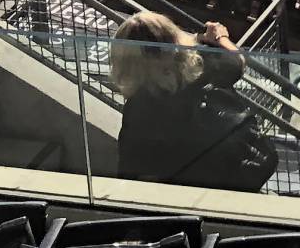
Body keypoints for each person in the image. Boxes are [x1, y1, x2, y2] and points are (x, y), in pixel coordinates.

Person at [110, 10, 278, 190]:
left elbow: (131, 170)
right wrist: (219, 37)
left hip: (190, 193)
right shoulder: (202, 66)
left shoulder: (138, 108)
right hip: (235, 173)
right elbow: (237, 63)